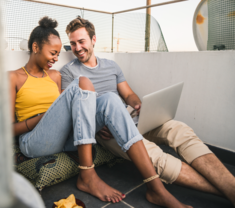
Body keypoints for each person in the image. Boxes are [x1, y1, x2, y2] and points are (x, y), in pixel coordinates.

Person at [10, 17, 192, 208]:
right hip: (33, 141)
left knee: (111, 99)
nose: (56, 58)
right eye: (53, 53)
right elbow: (9, 130)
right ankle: (87, 175)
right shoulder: (13, 77)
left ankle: (156, 188)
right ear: (36, 47)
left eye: (58, 54)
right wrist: (41, 119)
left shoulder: (55, 76)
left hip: (61, 137)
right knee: (82, 81)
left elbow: (65, 112)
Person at [60, 17, 235, 207]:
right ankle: (229, 190)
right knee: (158, 157)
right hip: (107, 130)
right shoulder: (68, 72)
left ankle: (230, 187)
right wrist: (99, 124)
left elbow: (129, 94)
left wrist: (138, 106)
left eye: (81, 41)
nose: (77, 48)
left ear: (93, 40)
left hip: (133, 120)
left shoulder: (112, 66)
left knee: (179, 130)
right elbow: (74, 112)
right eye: (73, 43)